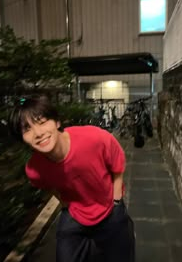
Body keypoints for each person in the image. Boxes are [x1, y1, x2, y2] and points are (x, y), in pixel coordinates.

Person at [8, 94, 135, 262]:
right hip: (75, 215)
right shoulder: (34, 169)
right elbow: (46, 184)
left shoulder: (94, 138)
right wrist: (65, 204)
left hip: (109, 209)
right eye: (27, 129)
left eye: (42, 121)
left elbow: (117, 160)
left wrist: (117, 200)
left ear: (57, 122)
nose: (38, 133)